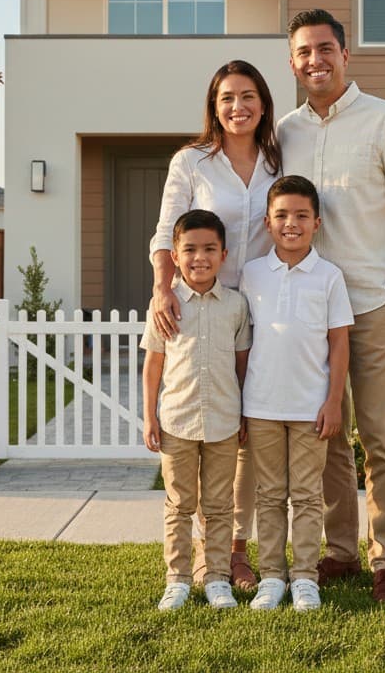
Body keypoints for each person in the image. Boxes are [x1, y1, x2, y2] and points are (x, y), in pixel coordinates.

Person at [277, 8, 385, 604]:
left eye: (324, 48)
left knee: (381, 439)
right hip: (308, 308)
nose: (314, 60)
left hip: (371, 305)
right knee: (325, 437)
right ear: (292, 64)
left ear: (346, 55)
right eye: (302, 53)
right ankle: (340, 552)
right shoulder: (285, 131)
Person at [149, 59, 280, 588]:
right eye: (227, 97)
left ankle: (236, 547)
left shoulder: (279, 158)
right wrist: (163, 289)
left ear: (264, 103)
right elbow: (165, 233)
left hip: (267, 305)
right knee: (205, 423)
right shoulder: (192, 162)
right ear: (214, 105)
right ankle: (209, 552)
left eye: (247, 96)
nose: (237, 107)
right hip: (205, 303)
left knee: (245, 425)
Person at [239, 175, 352, 612]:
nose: (292, 224)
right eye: (282, 215)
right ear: (267, 223)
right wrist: (242, 405)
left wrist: (333, 400)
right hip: (262, 405)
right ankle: (271, 576)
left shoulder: (328, 277)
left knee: (306, 495)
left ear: (316, 223)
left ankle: (305, 577)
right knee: (269, 495)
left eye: (301, 216)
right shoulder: (252, 275)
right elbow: (243, 341)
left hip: (311, 408)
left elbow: (339, 342)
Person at [141, 209, 251, 611]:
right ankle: (178, 580)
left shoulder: (236, 306)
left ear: (223, 254)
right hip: (177, 422)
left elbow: (243, 364)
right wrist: (149, 416)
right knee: (179, 505)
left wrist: (243, 415)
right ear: (175, 254)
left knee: (221, 506)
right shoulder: (164, 305)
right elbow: (153, 364)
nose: (199, 257)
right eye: (189, 250)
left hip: (224, 422)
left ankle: (217, 577)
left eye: (209, 249)